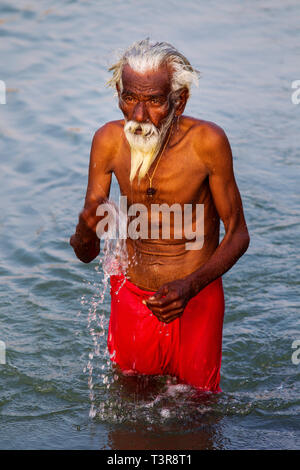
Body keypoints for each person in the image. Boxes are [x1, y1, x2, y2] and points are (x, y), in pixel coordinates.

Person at [70, 39, 250, 392]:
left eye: (153, 101)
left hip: (196, 298)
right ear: (119, 95)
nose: (138, 116)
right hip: (132, 298)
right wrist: (84, 229)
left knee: (199, 410)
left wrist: (190, 286)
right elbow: (86, 253)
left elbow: (239, 234)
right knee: (129, 402)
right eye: (129, 99)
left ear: (178, 101)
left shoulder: (207, 143)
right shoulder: (108, 141)